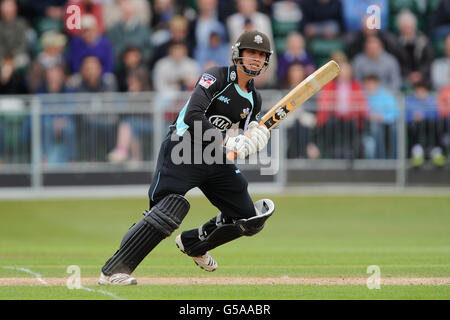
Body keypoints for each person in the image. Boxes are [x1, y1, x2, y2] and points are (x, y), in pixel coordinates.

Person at [98, 30, 275, 285]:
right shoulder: (215, 76)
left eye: (261, 55)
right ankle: (113, 272)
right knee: (166, 211)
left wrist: (256, 138)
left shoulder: (254, 98)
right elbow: (193, 115)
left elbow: (246, 133)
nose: (256, 59)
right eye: (251, 53)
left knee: (249, 218)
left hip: (214, 156)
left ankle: (194, 243)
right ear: (238, 55)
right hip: (184, 147)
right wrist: (227, 140)